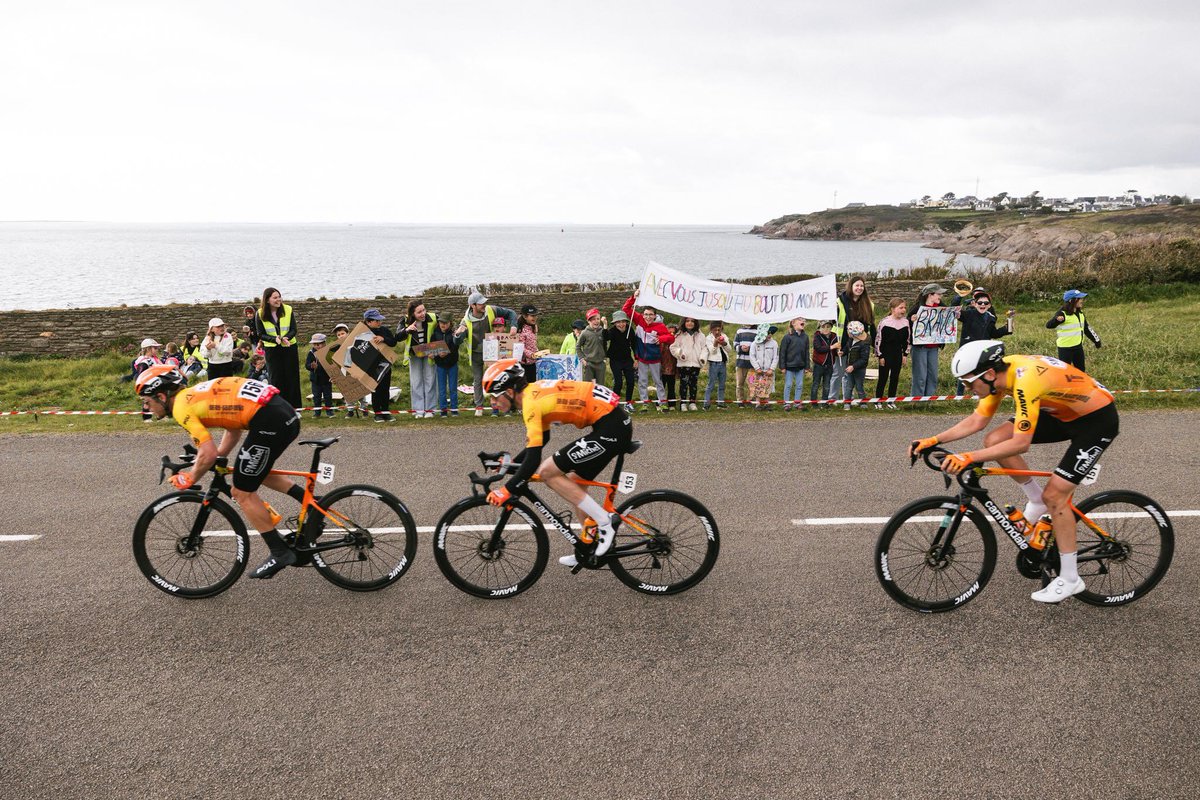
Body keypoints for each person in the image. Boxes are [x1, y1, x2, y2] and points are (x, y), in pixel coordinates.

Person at [911, 340, 1119, 603]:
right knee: (995, 440)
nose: (967, 388)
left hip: (1096, 420)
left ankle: (1070, 578)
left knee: (1056, 497)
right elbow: (978, 420)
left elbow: (1021, 443)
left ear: (987, 374)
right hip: (1061, 413)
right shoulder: (998, 377)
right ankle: (1035, 499)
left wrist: (968, 457)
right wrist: (933, 440)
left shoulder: (1025, 380)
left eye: (967, 382)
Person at [135, 365, 304, 580]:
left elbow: (207, 452)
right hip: (281, 413)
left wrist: (190, 477)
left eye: (147, 402)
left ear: (161, 396)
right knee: (254, 469)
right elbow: (232, 429)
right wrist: (216, 456)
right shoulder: (195, 394)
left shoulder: (181, 408)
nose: (147, 407)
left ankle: (280, 552)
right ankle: (314, 503)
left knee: (242, 490)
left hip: (271, 420)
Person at [481, 359, 632, 568]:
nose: (493, 403)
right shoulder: (533, 393)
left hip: (611, 427)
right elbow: (542, 441)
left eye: (495, 396)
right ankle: (588, 546)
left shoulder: (530, 404)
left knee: (547, 472)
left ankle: (605, 523)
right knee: (575, 484)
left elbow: (534, 460)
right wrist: (511, 464)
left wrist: (506, 490)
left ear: (509, 391)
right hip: (611, 423)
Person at [461, 291, 517, 417]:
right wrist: (459, 334)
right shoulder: (465, 321)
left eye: (484, 302)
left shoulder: (491, 310)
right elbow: (456, 340)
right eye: (481, 303)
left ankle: (500, 407)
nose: (484, 304)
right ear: (472, 306)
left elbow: (511, 313)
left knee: (496, 379)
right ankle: (479, 407)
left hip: (492, 353)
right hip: (475, 354)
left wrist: (513, 326)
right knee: (477, 380)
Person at [621, 289, 675, 412]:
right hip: (641, 358)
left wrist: (661, 338)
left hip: (655, 359)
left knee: (658, 382)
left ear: (655, 316)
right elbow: (626, 309)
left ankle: (663, 403)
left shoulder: (660, 326)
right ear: (643, 314)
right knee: (642, 381)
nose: (648, 317)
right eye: (646, 314)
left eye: (651, 315)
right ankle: (644, 403)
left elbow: (671, 338)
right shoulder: (639, 319)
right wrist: (633, 297)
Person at [956, 289, 1014, 394]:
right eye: (980, 303)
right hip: (967, 350)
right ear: (974, 303)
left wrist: (1006, 329)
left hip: (982, 351)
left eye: (986, 303)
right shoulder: (968, 314)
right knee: (964, 374)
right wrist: (959, 296)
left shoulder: (991, 318)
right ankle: (959, 397)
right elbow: (954, 310)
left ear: (989, 305)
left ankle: (977, 395)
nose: (983, 305)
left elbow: (993, 334)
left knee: (980, 374)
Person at [829, 276, 876, 404]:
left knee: (850, 372)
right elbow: (832, 319)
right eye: (857, 285)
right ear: (851, 286)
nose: (859, 288)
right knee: (838, 372)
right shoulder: (840, 301)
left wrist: (873, 344)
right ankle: (832, 399)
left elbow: (871, 325)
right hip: (842, 341)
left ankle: (847, 399)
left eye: (862, 286)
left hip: (859, 343)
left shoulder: (869, 304)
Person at [255, 288, 302, 408]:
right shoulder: (260, 313)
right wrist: (274, 339)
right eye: (275, 298)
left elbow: (293, 329)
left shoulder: (288, 309)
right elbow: (260, 334)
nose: (278, 300)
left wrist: (286, 338)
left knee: (292, 377)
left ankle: (295, 408)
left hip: (289, 346)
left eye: (279, 296)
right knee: (276, 378)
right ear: (267, 300)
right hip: (272, 349)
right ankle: (278, 406)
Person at [908, 283, 954, 398]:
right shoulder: (917, 308)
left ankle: (929, 399)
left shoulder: (942, 308)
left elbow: (949, 319)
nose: (940, 297)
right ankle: (917, 400)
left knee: (932, 375)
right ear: (930, 295)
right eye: (938, 294)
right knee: (920, 376)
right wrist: (911, 320)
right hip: (920, 348)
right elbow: (906, 325)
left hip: (933, 347)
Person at [399, 300, 437, 418]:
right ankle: (418, 411)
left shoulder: (433, 318)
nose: (423, 313)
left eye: (424, 310)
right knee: (416, 382)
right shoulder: (405, 321)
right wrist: (407, 330)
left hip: (429, 352)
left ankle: (430, 410)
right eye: (419, 312)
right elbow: (398, 336)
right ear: (412, 314)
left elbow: (444, 329)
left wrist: (437, 351)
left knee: (430, 380)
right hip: (414, 355)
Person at [1047, 289, 1101, 372]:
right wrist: (1056, 320)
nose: (1082, 301)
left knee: (1081, 372)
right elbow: (1049, 325)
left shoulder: (1080, 313)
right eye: (1080, 299)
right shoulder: (1062, 313)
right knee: (1065, 373)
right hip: (1065, 349)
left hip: (1078, 347)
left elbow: (1086, 328)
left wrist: (1096, 340)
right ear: (1073, 301)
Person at [360, 308, 398, 422]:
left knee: (385, 389)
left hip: (386, 365)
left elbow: (393, 342)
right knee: (375, 389)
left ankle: (386, 412)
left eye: (380, 320)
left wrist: (384, 339)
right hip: (371, 366)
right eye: (377, 321)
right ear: (368, 322)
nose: (379, 323)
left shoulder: (385, 330)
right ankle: (377, 413)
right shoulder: (361, 333)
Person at [874, 298, 910, 408]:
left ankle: (891, 400)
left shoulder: (906, 322)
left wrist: (905, 355)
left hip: (897, 354)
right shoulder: (884, 322)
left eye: (904, 307)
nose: (903, 310)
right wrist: (880, 356)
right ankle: (878, 400)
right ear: (893, 309)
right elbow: (878, 340)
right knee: (883, 378)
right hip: (885, 354)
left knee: (895, 378)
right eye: (900, 308)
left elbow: (907, 340)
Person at [431, 314, 467, 416]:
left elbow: (456, 346)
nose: (443, 325)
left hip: (452, 364)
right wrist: (436, 354)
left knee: (453, 388)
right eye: (441, 322)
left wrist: (448, 352)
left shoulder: (454, 333)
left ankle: (454, 409)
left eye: (446, 323)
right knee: (441, 389)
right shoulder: (434, 334)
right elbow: (431, 348)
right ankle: (443, 411)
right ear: (438, 323)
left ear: (450, 323)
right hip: (440, 365)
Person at [669, 317, 707, 411]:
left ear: (696, 323)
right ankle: (683, 403)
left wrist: (702, 358)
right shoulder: (679, 335)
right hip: (683, 364)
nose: (690, 323)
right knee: (683, 384)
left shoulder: (701, 335)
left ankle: (692, 403)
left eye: (692, 321)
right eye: (687, 321)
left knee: (693, 384)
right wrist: (680, 354)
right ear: (684, 322)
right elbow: (673, 347)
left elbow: (704, 348)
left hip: (695, 364)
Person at [605, 310, 637, 410]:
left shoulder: (630, 330)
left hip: (627, 359)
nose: (621, 324)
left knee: (631, 381)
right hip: (615, 360)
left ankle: (628, 403)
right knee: (618, 382)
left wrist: (636, 359)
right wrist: (605, 325)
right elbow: (605, 338)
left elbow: (634, 345)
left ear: (626, 322)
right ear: (614, 323)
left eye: (623, 321)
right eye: (618, 322)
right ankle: (614, 404)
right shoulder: (612, 331)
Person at [778, 317, 810, 411]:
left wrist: (807, 366)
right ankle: (786, 404)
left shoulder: (805, 337)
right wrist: (782, 366)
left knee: (799, 385)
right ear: (793, 323)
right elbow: (782, 352)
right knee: (788, 385)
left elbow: (807, 352)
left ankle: (797, 403)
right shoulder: (787, 337)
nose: (803, 321)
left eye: (803, 320)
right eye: (800, 320)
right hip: (789, 366)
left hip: (801, 366)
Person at [748, 324, 779, 409]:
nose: (769, 335)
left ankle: (767, 403)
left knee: (768, 386)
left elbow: (775, 357)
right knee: (758, 386)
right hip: (759, 370)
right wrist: (757, 368)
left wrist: (771, 369)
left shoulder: (774, 343)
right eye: (768, 333)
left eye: (771, 333)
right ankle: (758, 404)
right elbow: (752, 356)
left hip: (769, 370)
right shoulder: (755, 344)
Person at [134, 338, 164, 421]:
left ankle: (160, 416)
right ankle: (147, 418)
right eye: (155, 348)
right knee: (147, 401)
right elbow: (140, 374)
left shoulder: (156, 359)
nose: (157, 350)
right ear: (148, 349)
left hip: (157, 382)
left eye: (157, 348)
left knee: (159, 400)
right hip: (147, 384)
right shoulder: (143, 361)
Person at [305, 332, 334, 419]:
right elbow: (307, 365)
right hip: (315, 380)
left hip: (326, 379)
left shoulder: (328, 352)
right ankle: (317, 412)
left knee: (328, 396)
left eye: (319, 344)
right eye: (315, 344)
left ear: (324, 343)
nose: (317, 345)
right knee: (316, 396)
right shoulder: (311, 353)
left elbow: (332, 364)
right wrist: (311, 366)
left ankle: (330, 411)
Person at [843, 320, 871, 408]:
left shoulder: (864, 344)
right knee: (849, 386)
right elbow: (847, 348)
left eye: (848, 330)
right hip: (850, 367)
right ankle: (847, 403)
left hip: (859, 369)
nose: (847, 332)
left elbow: (864, 359)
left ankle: (863, 403)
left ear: (853, 333)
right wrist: (843, 352)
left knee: (859, 386)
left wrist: (853, 366)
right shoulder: (850, 340)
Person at [703, 321, 731, 409]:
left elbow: (729, 349)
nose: (717, 332)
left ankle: (720, 404)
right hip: (714, 363)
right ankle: (706, 404)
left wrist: (724, 343)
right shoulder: (708, 338)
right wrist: (715, 343)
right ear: (711, 330)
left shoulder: (724, 336)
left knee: (722, 385)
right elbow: (712, 351)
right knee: (711, 384)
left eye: (719, 330)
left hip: (723, 363)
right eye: (715, 330)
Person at [577, 308, 608, 385]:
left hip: (601, 363)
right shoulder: (584, 333)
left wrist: (605, 358)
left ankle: (598, 397)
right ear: (588, 321)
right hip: (589, 363)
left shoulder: (602, 331)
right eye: (593, 319)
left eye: (598, 319)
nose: (596, 321)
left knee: (600, 386)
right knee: (588, 385)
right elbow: (578, 346)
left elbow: (605, 343)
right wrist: (582, 359)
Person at [810, 320, 838, 405]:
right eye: (823, 327)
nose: (826, 329)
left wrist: (839, 352)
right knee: (816, 384)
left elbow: (835, 350)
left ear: (831, 328)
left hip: (829, 365)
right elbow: (819, 348)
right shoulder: (817, 336)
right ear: (819, 328)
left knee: (826, 385)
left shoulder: (834, 336)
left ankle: (824, 402)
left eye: (828, 327)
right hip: (819, 364)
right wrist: (832, 347)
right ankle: (814, 403)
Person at [732, 322, 758, 407]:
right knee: (740, 383)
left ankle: (751, 400)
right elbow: (735, 344)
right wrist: (740, 348)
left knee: (751, 382)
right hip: (741, 363)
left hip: (752, 364)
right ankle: (740, 401)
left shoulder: (757, 331)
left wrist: (750, 349)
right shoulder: (739, 331)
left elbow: (758, 345)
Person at [515, 305, 541, 382]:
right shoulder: (521, 330)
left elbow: (533, 344)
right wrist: (531, 355)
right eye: (532, 316)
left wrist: (537, 351)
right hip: (524, 365)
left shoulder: (533, 328)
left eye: (535, 315)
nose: (534, 318)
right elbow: (520, 347)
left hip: (533, 363)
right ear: (525, 316)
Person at [659, 323, 680, 411]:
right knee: (661, 386)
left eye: (673, 332)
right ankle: (660, 403)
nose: (671, 334)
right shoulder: (661, 343)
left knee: (671, 386)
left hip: (672, 367)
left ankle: (672, 404)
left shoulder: (676, 342)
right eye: (669, 332)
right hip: (661, 367)